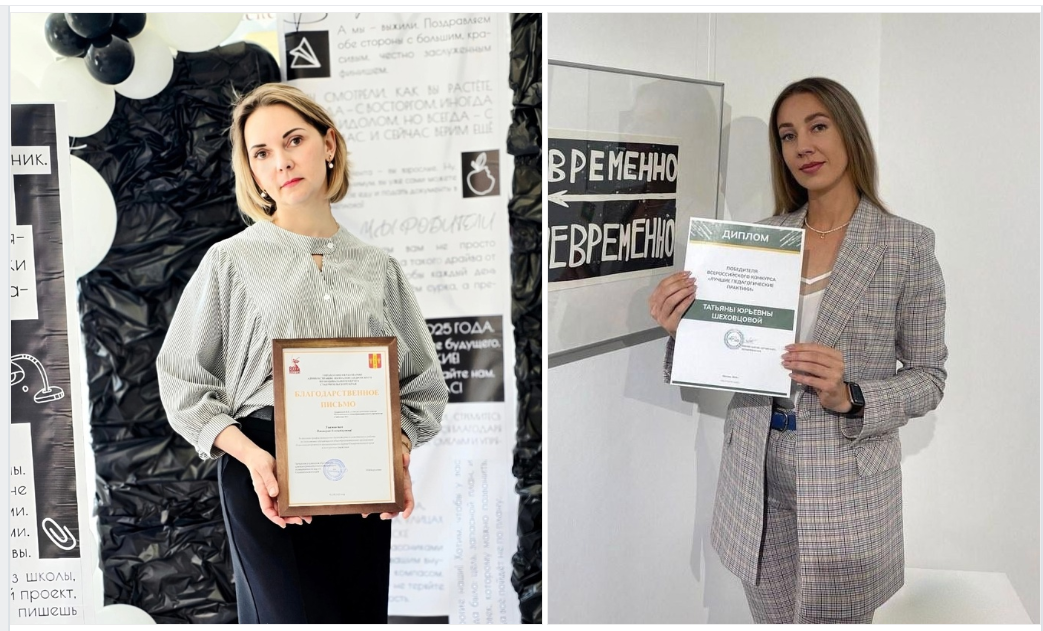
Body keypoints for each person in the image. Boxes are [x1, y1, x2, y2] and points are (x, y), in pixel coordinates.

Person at [649, 77, 947, 624]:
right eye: (788, 136)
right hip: (754, 477)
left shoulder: (905, 244)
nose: (802, 146)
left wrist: (851, 396)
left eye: (817, 127)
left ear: (849, 132)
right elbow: (729, 353)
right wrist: (682, 330)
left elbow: (929, 376)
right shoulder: (758, 242)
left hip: (847, 485)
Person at [156, 83, 448, 624]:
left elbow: (423, 384)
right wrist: (252, 458)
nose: (281, 162)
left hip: (363, 472)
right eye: (261, 153)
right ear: (251, 171)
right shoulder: (230, 262)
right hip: (266, 471)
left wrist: (398, 450)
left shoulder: (378, 267)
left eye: (294, 140)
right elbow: (181, 379)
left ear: (328, 143)